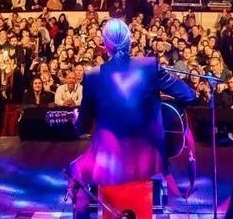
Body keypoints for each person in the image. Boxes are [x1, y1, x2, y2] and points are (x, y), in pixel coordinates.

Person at [67, 18, 196, 219]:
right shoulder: (150, 66)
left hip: (109, 164)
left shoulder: (92, 76)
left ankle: (82, 211)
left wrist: (77, 119)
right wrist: (160, 109)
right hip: (149, 160)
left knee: (75, 171)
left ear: (105, 45)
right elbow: (188, 95)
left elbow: (82, 128)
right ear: (130, 40)